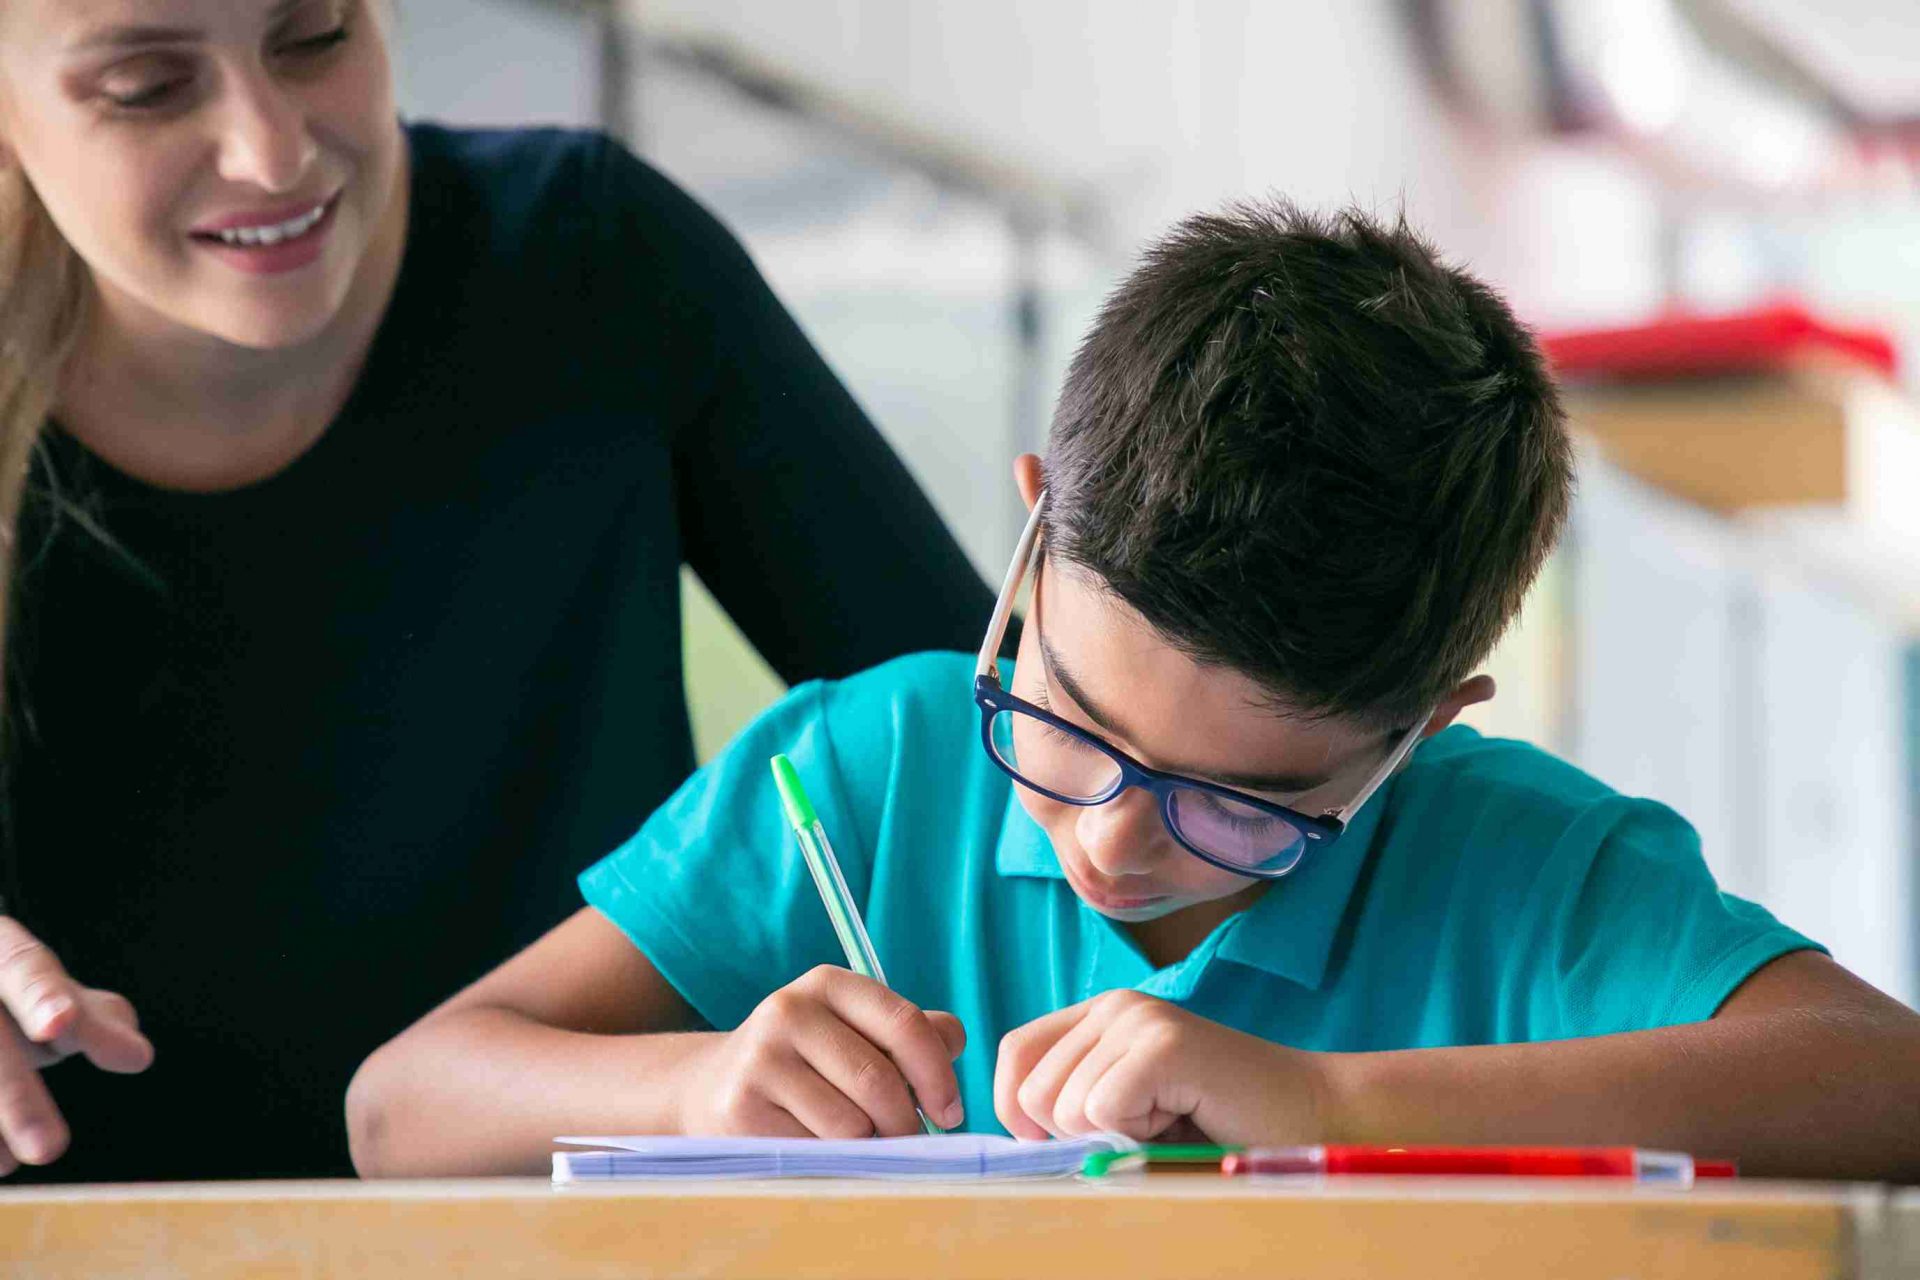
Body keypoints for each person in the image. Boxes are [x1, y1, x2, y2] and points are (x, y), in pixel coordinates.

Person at [349, 199, 1920, 1182]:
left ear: (1427, 724)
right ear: (1034, 531)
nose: (1107, 846)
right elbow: (398, 1111)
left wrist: (1328, 1103)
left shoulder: (1529, 876)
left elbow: (1888, 1088)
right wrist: (701, 1082)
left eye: (1244, 807)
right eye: (1063, 723)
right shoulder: (862, 772)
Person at [0, 0, 1004, 1182]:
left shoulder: (591, 255)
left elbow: (1007, 734)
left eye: (314, 35)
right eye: (147, 89)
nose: (271, 151)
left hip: (570, 1238)